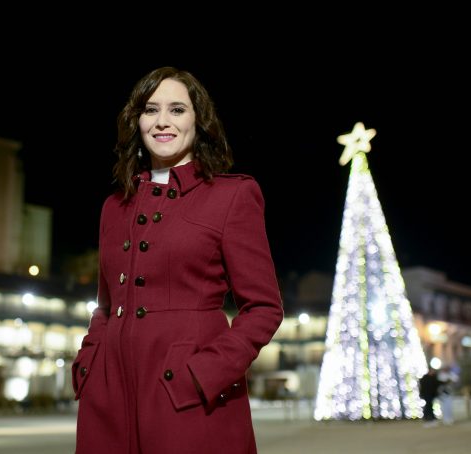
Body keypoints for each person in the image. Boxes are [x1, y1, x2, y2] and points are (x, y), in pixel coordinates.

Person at [72, 66, 284, 454]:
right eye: (150, 110)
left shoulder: (232, 195)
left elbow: (264, 308)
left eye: (177, 109)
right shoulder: (114, 206)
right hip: (109, 399)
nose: (162, 122)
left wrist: (205, 374)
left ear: (198, 121)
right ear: (136, 122)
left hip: (190, 398)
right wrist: (89, 363)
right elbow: (105, 306)